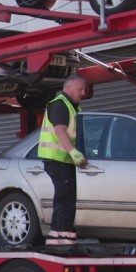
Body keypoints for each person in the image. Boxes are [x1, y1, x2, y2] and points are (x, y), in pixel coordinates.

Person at [37, 75, 90, 245]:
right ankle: (65, 236)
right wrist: (74, 152)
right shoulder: (60, 104)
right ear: (68, 88)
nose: (83, 92)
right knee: (66, 197)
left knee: (63, 196)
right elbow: (60, 131)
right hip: (57, 159)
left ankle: (56, 236)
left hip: (63, 160)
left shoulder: (73, 107)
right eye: (80, 89)